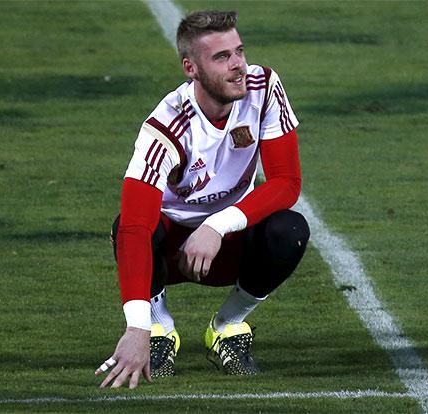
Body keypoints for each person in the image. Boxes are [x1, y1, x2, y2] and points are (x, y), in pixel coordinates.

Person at [95, 10, 310, 389]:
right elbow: (133, 227)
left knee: (289, 229)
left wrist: (216, 224)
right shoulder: (165, 128)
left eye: (239, 51)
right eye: (222, 57)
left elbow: (286, 183)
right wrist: (136, 327)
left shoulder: (264, 88)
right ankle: (159, 331)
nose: (239, 65)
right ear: (191, 69)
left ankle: (227, 327)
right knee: (128, 227)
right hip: (171, 253)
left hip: (229, 243)